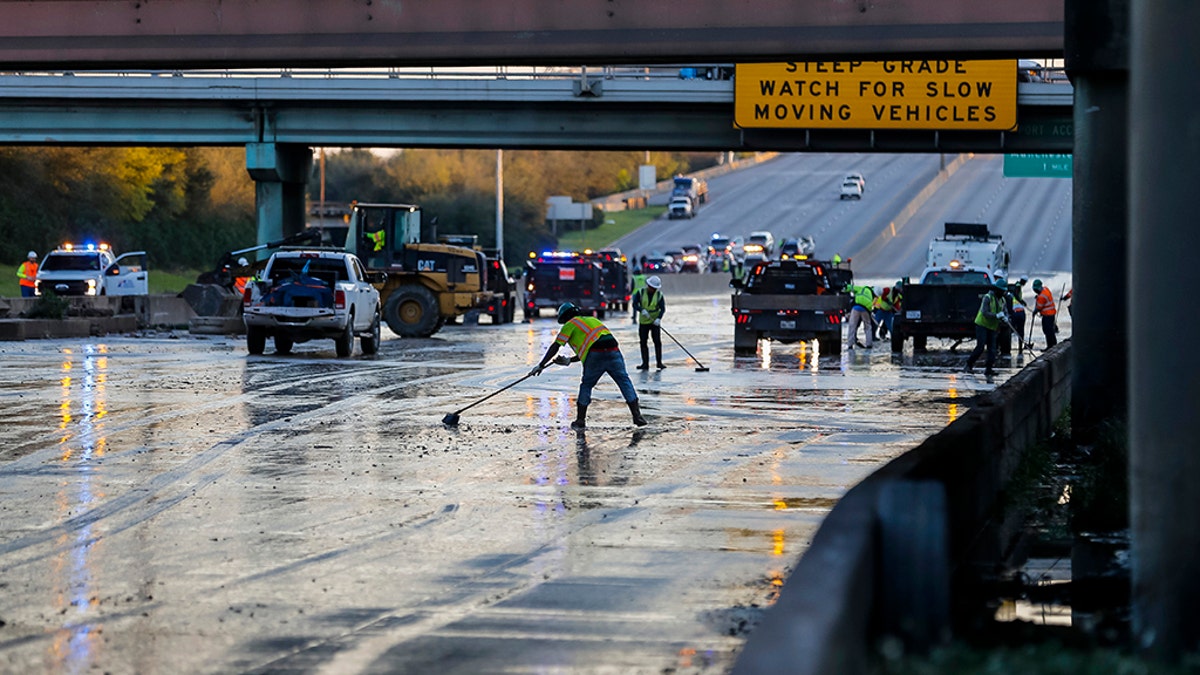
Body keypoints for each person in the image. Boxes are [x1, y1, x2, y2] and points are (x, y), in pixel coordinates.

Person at [531, 302, 647, 430]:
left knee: (586, 385)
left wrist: (541, 365)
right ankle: (637, 416)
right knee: (624, 381)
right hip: (613, 350)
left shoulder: (570, 324)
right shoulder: (592, 320)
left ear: (564, 318)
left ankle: (580, 420)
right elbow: (590, 346)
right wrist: (569, 360)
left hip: (595, 354)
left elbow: (556, 346)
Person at [964, 280, 1009, 376]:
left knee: (992, 349)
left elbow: (1005, 312)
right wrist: (996, 316)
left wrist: (1005, 317)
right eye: (1001, 291)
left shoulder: (1002, 300)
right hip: (982, 325)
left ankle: (989, 369)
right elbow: (984, 312)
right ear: (997, 290)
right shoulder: (987, 298)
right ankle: (969, 364)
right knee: (980, 347)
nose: (1003, 293)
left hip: (992, 327)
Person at [631, 275, 666, 370]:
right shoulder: (640, 293)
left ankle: (659, 363)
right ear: (648, 286)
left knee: (657, 342)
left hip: (655, 322)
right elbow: (634, 304)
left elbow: (662, 308)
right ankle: (645, 364)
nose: (653, 290)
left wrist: (659, 318)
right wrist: (641, 310)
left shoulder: (659, 295)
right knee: (643, 342)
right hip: (644, 321)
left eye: (655, 288)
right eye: (652, 288)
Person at [845, 282, 875, 348]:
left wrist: (845, 287)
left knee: (852, 326)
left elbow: (850, 288)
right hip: (866, 310)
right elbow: (871, 306)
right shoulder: (872, 295)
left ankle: (850, 344)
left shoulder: (862, 288)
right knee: (868, 326)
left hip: (856, 308)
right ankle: (869, 344)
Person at [1032, 279, 1058, 348]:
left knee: (1047, 331)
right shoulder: (1046, 289)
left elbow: (1039, 307)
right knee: (1051, 330)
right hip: (1051, 314)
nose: (1035, 291)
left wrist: (1034, 312)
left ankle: (1050, 346)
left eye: (1036, 290)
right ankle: (1054, 344)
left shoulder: (1041, 297)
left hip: (1047, 315)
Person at [1008, 276, 1030, 348]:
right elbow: (1016, 294)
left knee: (1012, 330)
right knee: (1020, 331)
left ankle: (1008, 347)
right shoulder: (1017, 286)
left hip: (1015, 311)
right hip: (1018, 312)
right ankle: (1020, 347)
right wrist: (1021, 301)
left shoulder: (1016, 286)